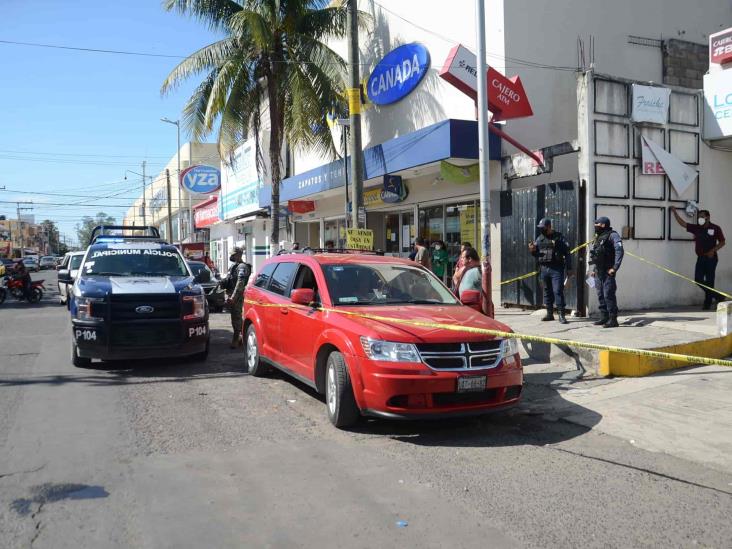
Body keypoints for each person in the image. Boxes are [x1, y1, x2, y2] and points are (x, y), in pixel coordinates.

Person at [671, 207, 726, 310]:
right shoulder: (696, 228)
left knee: (710, 281)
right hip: (700, 258)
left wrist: (713, 250)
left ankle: (707, 303)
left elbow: (722, 242)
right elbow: (683, 223)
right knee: (698, 280)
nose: (700, 218)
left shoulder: (715, 228)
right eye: (699, 217)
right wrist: (675, 213)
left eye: (702, 216)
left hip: (711, 258)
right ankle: (718, 296)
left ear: (708, 217)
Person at [529, 218, 572, 324]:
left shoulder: (559, 237)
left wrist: (569, 268)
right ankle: (549, 314)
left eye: (543, 227)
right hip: (544, 269)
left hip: (556, 268)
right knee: (547, 292)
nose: (541, 229)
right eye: (540, 228)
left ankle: (561, 315)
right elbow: (537, 254)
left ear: (549, 226)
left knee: (557, 291)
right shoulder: (540, 239)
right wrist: (532, 251)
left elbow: (567, 253)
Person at [589, 216, 624, 328]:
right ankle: (604, 317)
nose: (595, 227)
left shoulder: (613, 235)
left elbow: (619, 251)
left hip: (608, 270)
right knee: (600, 294)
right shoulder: (598, 237)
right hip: (599, 270)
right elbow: (597, 255)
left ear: (603, 225)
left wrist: (615, 267)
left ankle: (613, 319)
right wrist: (594, 269)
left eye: (597, 225)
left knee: (608, 294)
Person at [225, 247, 252, 348]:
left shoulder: (242, 267)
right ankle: (240, 337)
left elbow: (240, 283)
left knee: (236, 317)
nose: (232, 257)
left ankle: (237, 338)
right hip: (231, 294)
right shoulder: (234, 266)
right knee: (234, 317)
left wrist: (233, 297)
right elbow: (230, 280)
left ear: (239, 255)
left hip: (237, 296)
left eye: (234, 255)